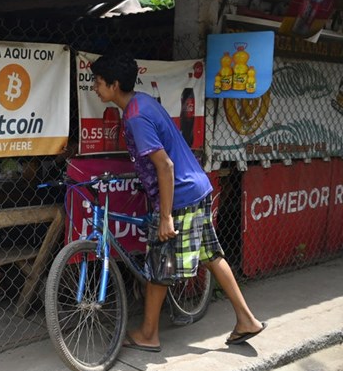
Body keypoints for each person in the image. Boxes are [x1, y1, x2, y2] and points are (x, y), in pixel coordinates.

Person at [90, 53, 266, 352]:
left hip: (180, 194)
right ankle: (246, 319)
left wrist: (166, 216)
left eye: (97, 82)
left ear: (114, 84)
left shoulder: (135, 117)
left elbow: (166, 166)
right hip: (196, 187)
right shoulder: (141, 102)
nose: (94, 87)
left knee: (160, 265)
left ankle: (148, 334)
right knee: (211, 255)